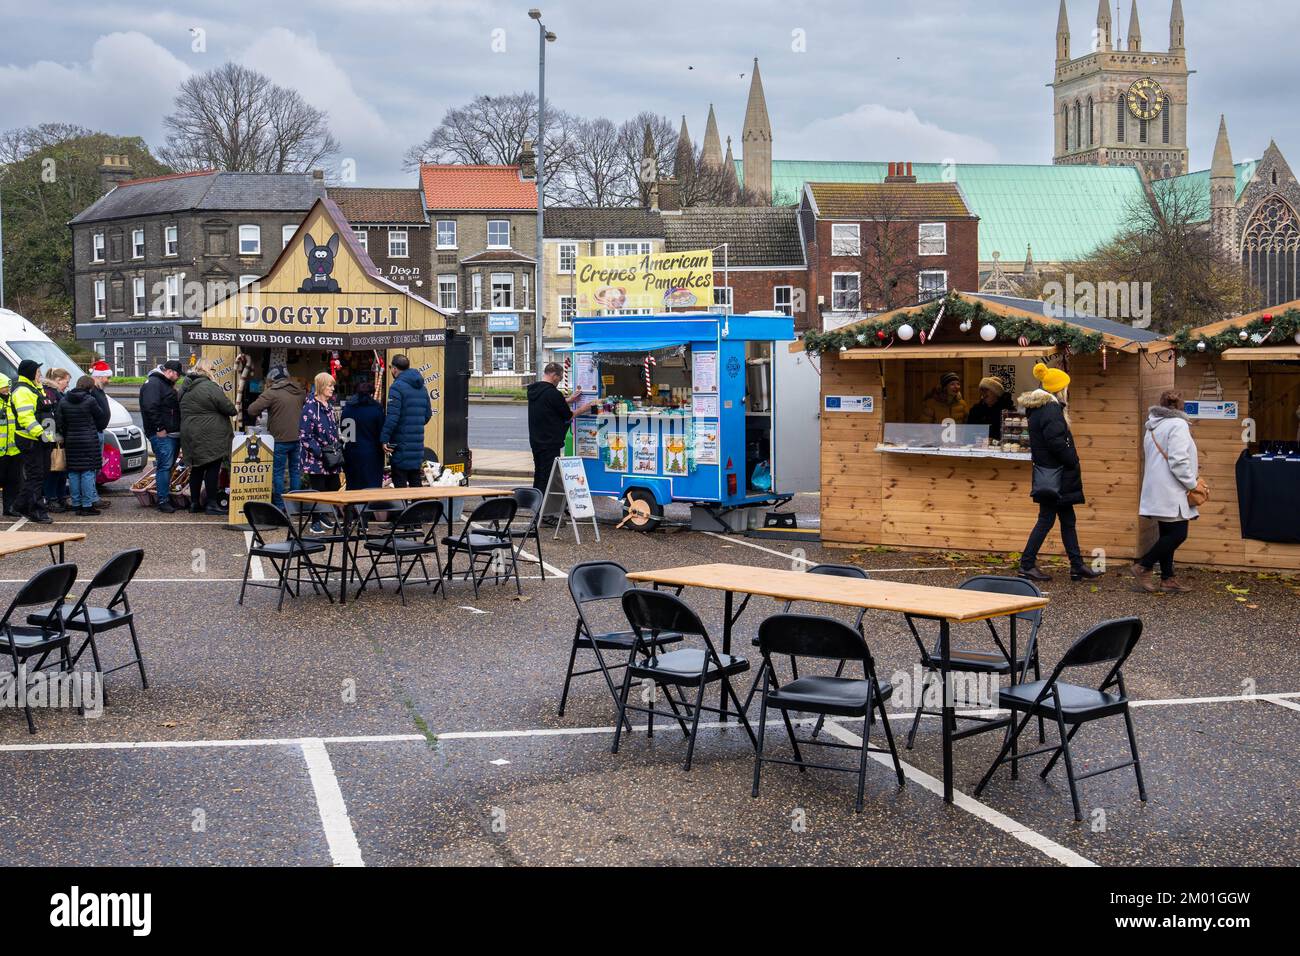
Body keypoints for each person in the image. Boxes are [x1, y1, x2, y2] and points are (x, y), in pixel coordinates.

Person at [1017, 363, 1103, 583]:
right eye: (1065, 387)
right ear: (1059, 389)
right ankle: (1027, 564)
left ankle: (1076, 566)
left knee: (1067, 520)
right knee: (1046, 520)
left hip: (1051, 473)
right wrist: (1072, 459)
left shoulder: (1039, 408)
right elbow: (1056, 442)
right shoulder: (1051, 409)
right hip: (1057, 475)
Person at [1133, 391, 1200, 594]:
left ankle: (1167, 578)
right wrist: (1191, 484)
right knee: (1179, 534)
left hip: (1157, 487)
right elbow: (1178, 461)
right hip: (1173, 488)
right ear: (1181, 407)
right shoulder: (1178, 425)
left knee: (1167, 533)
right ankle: (1143, 566)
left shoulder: (1153, 425)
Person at [527, 362, 597, 493]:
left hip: (536, 440)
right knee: (548, 476)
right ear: (554, 376)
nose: (559, 382)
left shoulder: (534, 390)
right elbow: (569, 416)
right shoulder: (553, 393)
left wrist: (569, 400)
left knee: (539, 472)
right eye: (559, 379)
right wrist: (585, 408)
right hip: (550, 442)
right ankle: (543, 508)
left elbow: (547, 403)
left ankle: (535, 501)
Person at [178, 359, 236, 517]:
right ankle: (211, 504)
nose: (214, 372)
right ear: (207, 370)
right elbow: (229, 408)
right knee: (212, 467)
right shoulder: (210, 386)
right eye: (213, 369)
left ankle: (194, 503)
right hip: (210, 434)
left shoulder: (184, 387)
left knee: (196, 468)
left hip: (189, 433)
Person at [247, 365, 306, 512]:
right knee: (295, 471)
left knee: (278, 473)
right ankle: (295, 504)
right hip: (297, 437)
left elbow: (252, 409)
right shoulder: (299, 391)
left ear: (272, 379)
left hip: (279, 439)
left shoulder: (272, 393)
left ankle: (280, 506)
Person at [55, 375, 109, 517]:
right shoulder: (90, 400)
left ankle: (76, 503)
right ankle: (87, 505)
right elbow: (100, 416)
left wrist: (67, 432)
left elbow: (59, 421)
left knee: (73, 473)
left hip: (71, 440)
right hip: (88, 440)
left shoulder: (64, 400)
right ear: (90, 387)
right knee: (87, 472)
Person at [300, 373, 343, 533]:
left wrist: (336, 445)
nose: (332, 388)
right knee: (318, 490)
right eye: (329, 385)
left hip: (331, 456)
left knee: (333, 486)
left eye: (333, 385)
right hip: (316, 458)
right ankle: (315, 521)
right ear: (320, 386)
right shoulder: (310, 407)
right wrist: (319, 452)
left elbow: (333, 430)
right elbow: (305, 436)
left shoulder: (329, 406)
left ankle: (323, 514)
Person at [139, 360, 184, 514]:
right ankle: (163, 500)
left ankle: (164, 496)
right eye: (177, 375)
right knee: (164, 466)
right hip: (162, 434)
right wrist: (159, 428)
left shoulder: (162, 384)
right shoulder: (154, 384)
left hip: (169, 432)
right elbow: (150, 407)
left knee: (167, 466)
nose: (178, 378)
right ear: (170, 371)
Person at [381, 355, 431, 488]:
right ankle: (419, 509)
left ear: (395, 369)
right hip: (417, 446)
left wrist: (384, 439)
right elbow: (427, 415)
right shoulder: (422, 387)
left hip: (401, 445)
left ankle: (401, 509)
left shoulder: (396, 387)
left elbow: (392, 417)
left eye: (391, 368)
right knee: (415, 481)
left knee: (400, 484)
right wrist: (414, 423)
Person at [11, 358, 51, 523]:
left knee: (39, 475)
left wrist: (39, 385)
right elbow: (26, 418)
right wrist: (41, 434)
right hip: (30, 439)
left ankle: (20, 505)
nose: (40, 375)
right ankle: (35, 510)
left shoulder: (32, 388)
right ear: (30, 373)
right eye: (37, 372)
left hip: (37, 438)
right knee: (36, 476)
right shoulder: (22, 391)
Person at [341, 380, 384, 491]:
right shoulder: (376, 410)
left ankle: (352, 508)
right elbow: (382, 432)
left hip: (352, 453)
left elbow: (346, 434)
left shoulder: (348, 409)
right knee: (371, 487)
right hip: (373, 454)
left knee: (353, 485)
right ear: (371, 393)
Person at [41, 368, 72, 513]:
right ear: (58, 380)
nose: (67, 385)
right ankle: (52, 498)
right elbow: (52, 416)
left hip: (57, 436)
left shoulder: (55, 393)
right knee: (54, 470)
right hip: (54, 437)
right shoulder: (50, 394)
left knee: (60, 470)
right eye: (66, 381)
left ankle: (60, 497)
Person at [87, 360, 113, 510]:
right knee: (92, 467)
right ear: (99, 376)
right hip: (94, 432)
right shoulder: (93, 391)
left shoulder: (98, 390)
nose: (108, 380)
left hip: (98, 431)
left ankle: (93, 495)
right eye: (106, 377)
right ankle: (92, 496)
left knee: (95, 467)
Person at [965, 376, 1015, 440]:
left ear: (996, 393)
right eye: (982, 390)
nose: (983, 393)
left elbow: (1011, 434)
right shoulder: (976, 410)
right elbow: (968, 434)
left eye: (986, 390)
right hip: (978, 447)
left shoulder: (1007, 410)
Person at [0, 374, 21, 517]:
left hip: (13, 450)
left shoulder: (12, 403)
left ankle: (10, 508)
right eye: (4, 387)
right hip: (0, 452)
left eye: (8, 386)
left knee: (12, 481)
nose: (8, 389)